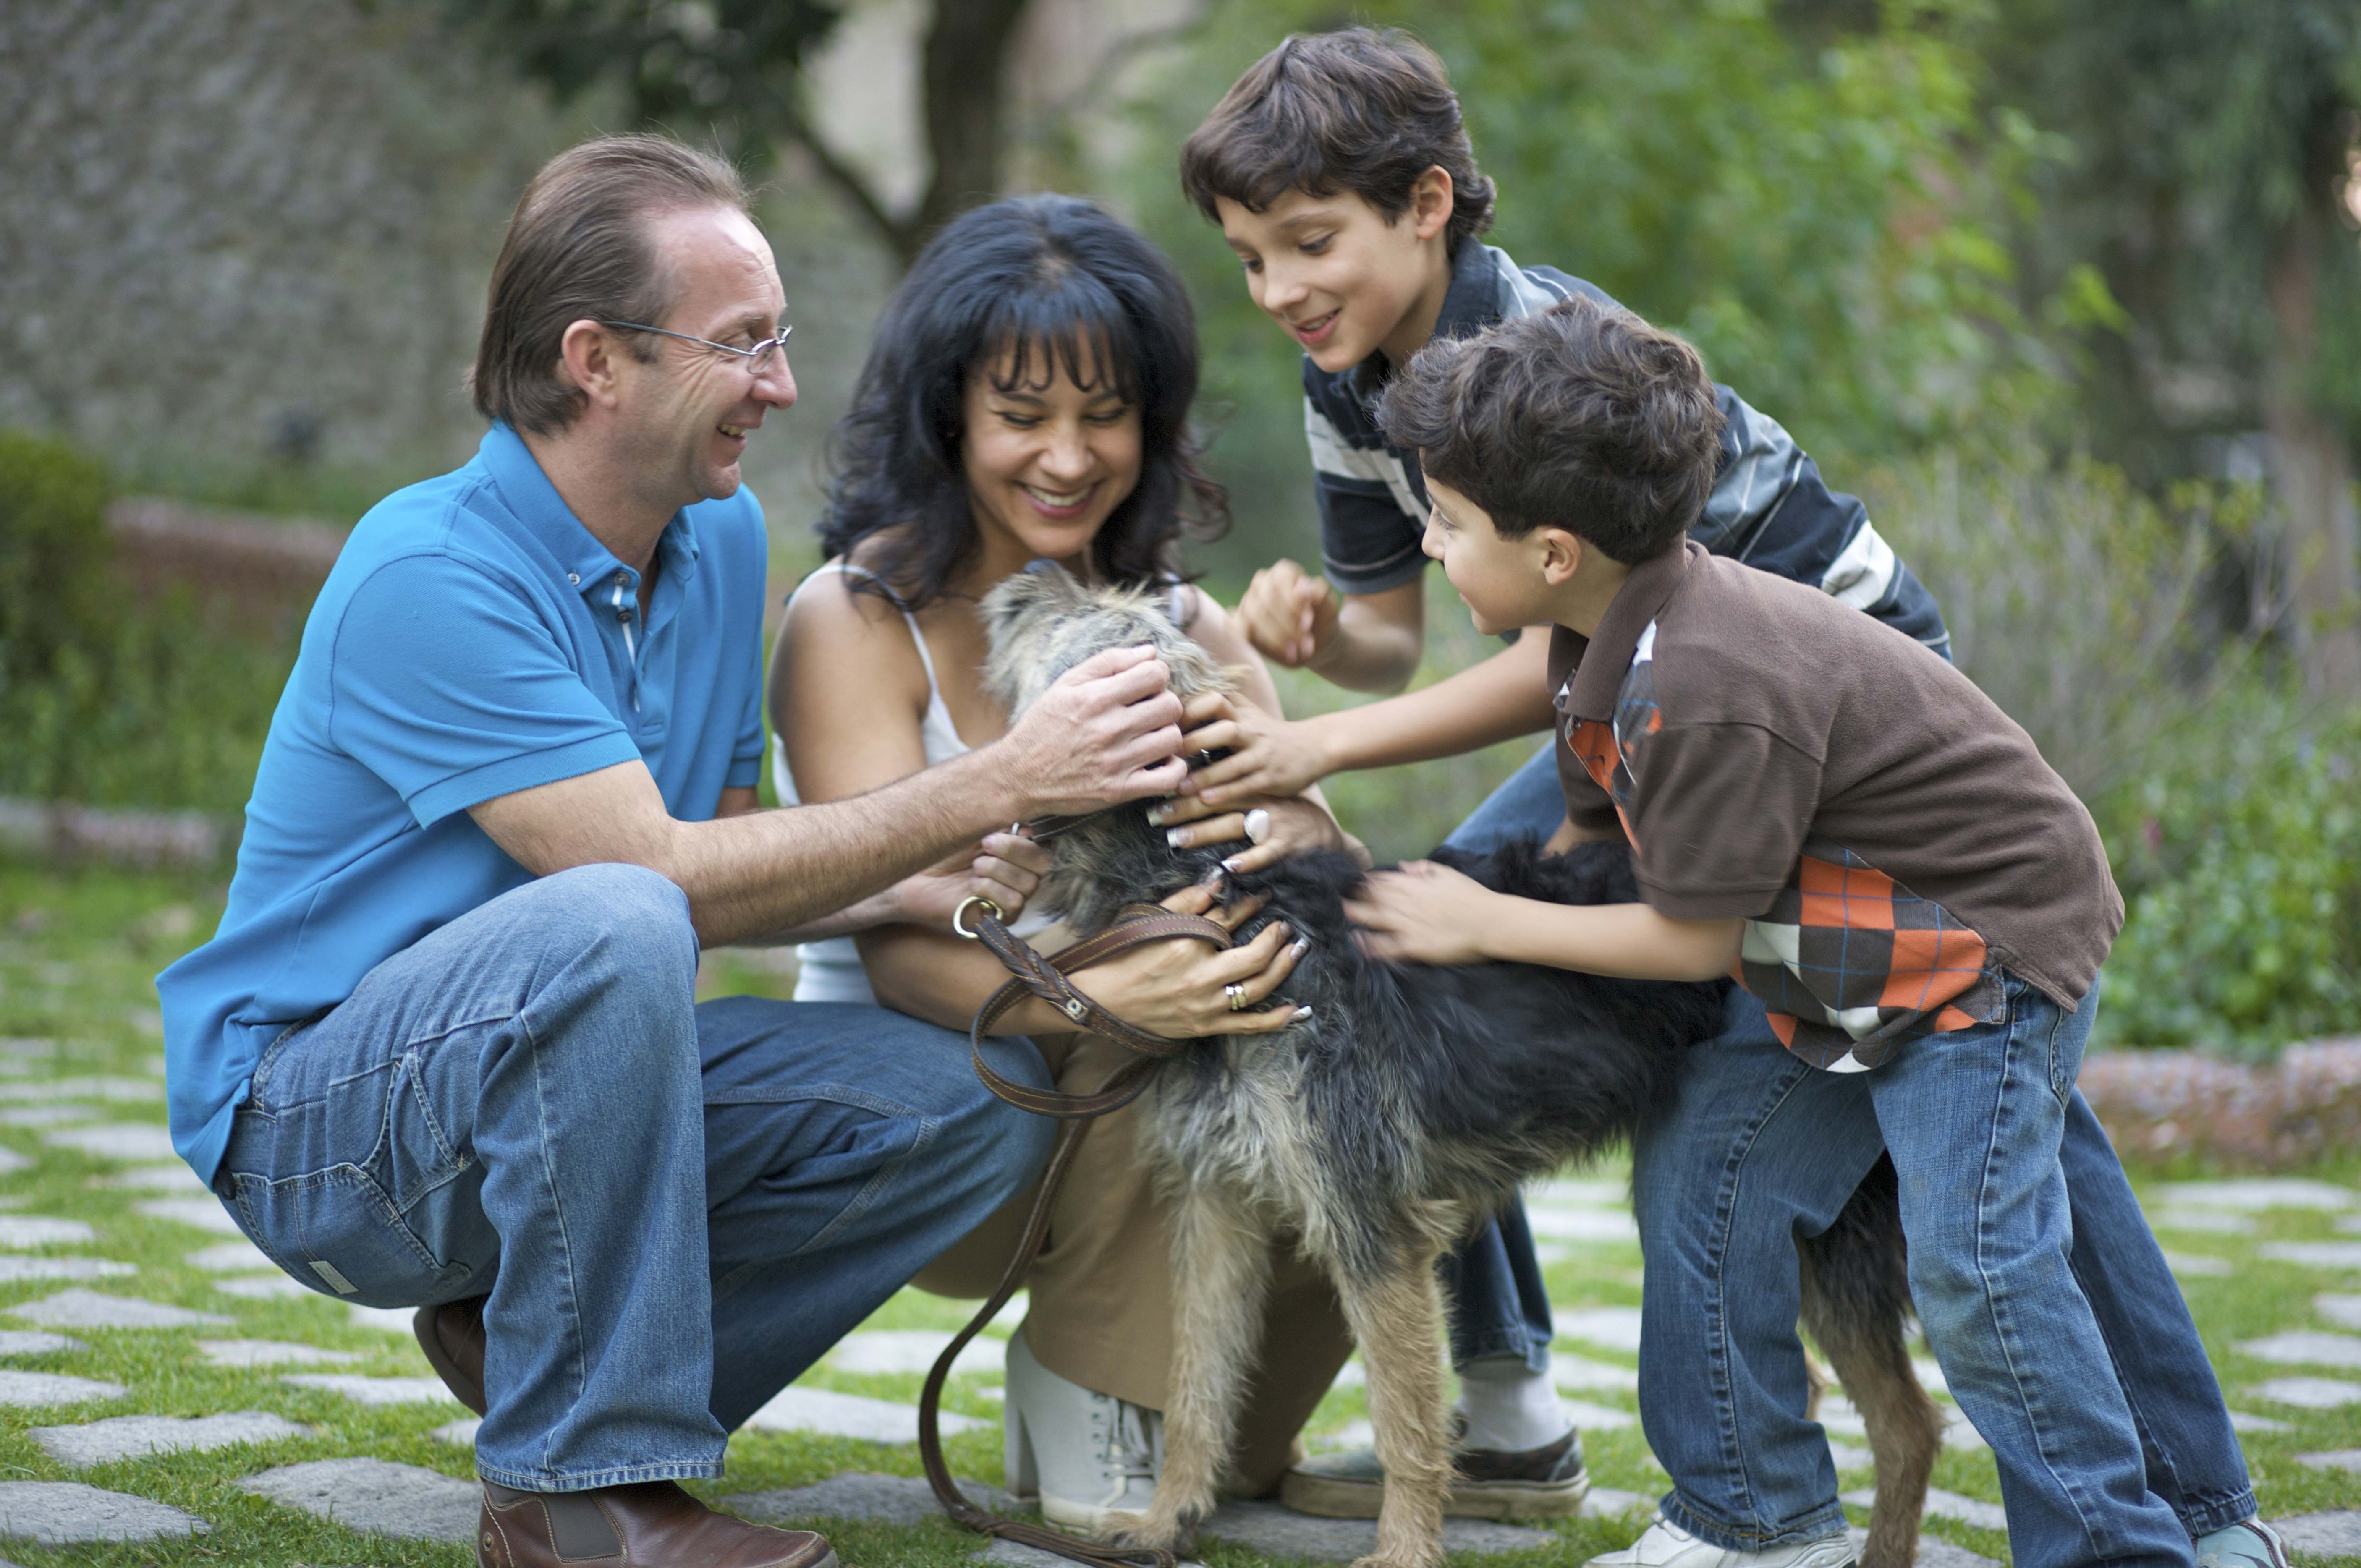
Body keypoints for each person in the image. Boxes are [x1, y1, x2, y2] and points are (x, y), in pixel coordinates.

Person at [157, 136, 1199, 1568]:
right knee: (621, 915)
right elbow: (654, 880)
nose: (779, 386)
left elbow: (715, 853)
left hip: (552, 1059)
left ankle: (533, 1346)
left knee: (983, 1090)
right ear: (595, 361)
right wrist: (1001, 782)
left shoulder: (714, 542)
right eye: (742, 345)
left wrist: (906, 886)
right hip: (319, 1127)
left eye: (781, 339)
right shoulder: (431, 573)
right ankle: (579, 1496)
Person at [1344, 294, 2285, 1568]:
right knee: (1711, 1176)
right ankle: (1756, 1520)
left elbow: (1684, 941)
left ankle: (2126, 1551)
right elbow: (1587, 853)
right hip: (1842, 960)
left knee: (1976, 1271)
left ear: (1556, 549)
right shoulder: (1590, 644)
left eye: (1448, 523)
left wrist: (1473, 916)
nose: (1431, 544)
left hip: (1981, 955)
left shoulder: (1710, 682)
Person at [1158, 25, 1947, 1521]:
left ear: (1431, 203)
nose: (1279, 293)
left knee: (1986, 1067)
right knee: (1410, 972)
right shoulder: (1348, 383)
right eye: (1252, 259)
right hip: (1636, 703)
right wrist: (1324, 637)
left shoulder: (1525, 355)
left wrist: (1312, 738)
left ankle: (2161, 1485)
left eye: (1310, 244)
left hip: (1838, 695)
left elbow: (1581, 640)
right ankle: (1511, 1400)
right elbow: (1407, 636)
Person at [766, 191, 1366, 1535]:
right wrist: (1108, 994)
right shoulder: (856, 622)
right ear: (947, 415)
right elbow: (903, 944)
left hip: (1164, 1073)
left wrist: (1284, 818)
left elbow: (1324, 863)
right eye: (1021, 413)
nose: (1066, 455)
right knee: (1157, 999)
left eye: (1105, 415)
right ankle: (1094, 1382)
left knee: (1371, 1010)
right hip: (945, 1110)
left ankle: (1178, 1403)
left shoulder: (1184, 622)